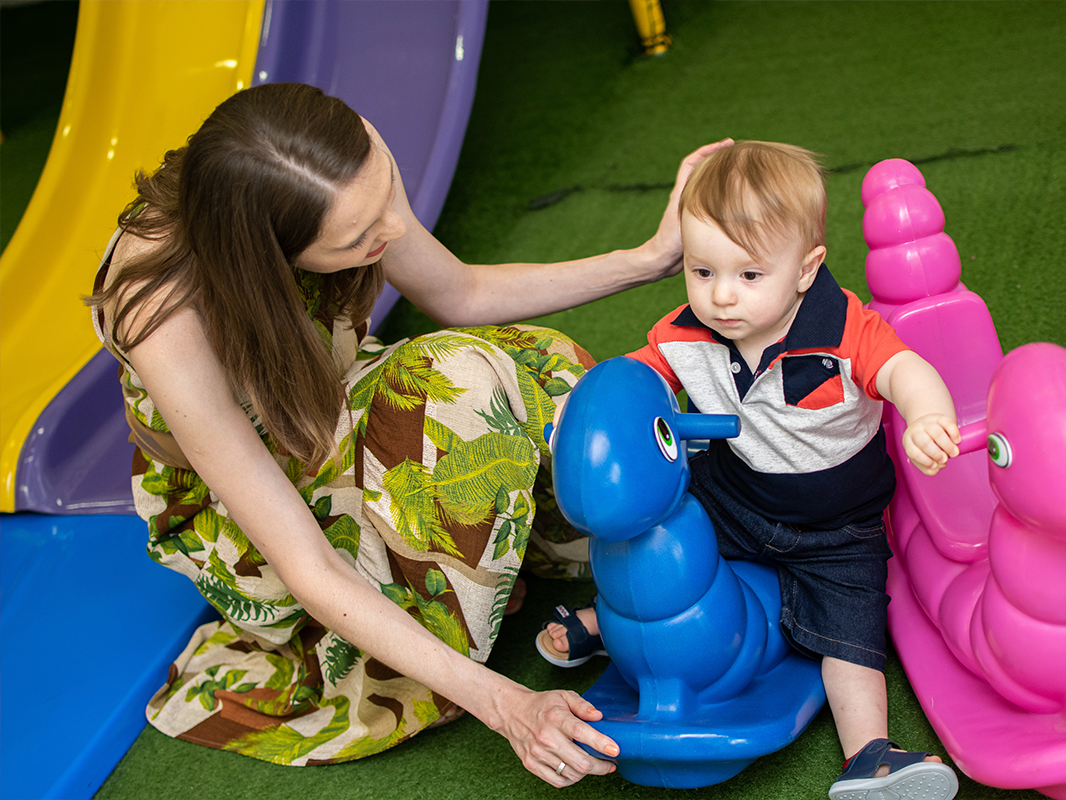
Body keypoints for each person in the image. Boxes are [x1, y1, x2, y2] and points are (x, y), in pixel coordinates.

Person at [85, 81, 729, 784]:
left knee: (546, 369)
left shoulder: (336, 156)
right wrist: (507, 706)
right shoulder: (161, 307)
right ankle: (433, 600)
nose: (391, 229)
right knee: (460, 384)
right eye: (358, 240)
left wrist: (650, 259)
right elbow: (307, 566)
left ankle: (500, 557)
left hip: (327, 395)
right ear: (268, 257)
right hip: (257, 495)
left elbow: (460, 292)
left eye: (387, 191)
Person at [537, 141, 962, 799]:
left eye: (750, 275)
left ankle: (869, 755)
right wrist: (583, 410)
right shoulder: (684, 335)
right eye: (702, 271)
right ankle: (606, 621)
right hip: (733, 496)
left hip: (837, 528)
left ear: (805, 268)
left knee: (850, 639)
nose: (721, 296)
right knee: (660, 543)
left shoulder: (844, 329)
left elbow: (904, 369)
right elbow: (632, 385)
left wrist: (928, 413)